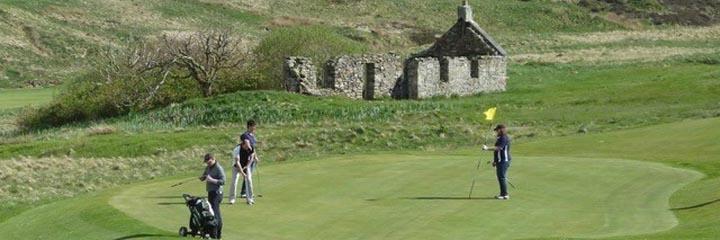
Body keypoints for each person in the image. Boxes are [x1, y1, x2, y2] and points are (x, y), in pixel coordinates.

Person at [200, 153, 226, 238]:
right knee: (211, 213)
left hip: (217, 193)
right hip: (210, 193)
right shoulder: (208, 167)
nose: (208, 163)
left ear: (213, 159)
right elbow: (205, 175)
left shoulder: (218, 168)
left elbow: (223, 181)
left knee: (216, 214)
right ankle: (212, 232)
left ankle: (218, 233)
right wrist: (202, 178)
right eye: (206, 162)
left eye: (209, 161)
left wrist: (212, 180)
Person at [483, 124, 511, 200]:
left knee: (501, 177)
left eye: (497, 130)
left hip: (504, 160)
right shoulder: (499, 138)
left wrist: (487, 148)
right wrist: (495, 161)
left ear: (501, 129)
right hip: (499, 160)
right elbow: (496, 152)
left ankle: (505, 194)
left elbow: (498, 148)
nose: (496, 132)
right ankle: (503, 194)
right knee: (500, 177)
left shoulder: (504, 138)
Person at [239, 119, 257, 198]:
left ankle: (246, 191)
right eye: (253, 126)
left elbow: (253, 148)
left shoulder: (253, 136)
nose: (254, 128)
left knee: (249, 175)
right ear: (249, 126)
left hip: (252, 157)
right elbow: (246, 145)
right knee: (247, 175)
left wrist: (255, 157)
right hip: (246, 158)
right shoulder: (245, 135)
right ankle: (243, 192)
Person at [237, 139, 255, 205]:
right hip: (238, 165)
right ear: (243, 144)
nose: (248, 147)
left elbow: (251, 158)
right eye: (246, 146)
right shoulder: (238, 149)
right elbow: (237, 161)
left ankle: (250, 198)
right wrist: (242, 172)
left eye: (249, 145)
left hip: (247, 165)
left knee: (249, 180)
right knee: (235, 181)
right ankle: (232, 198)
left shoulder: (250, 148)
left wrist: (247, 166)